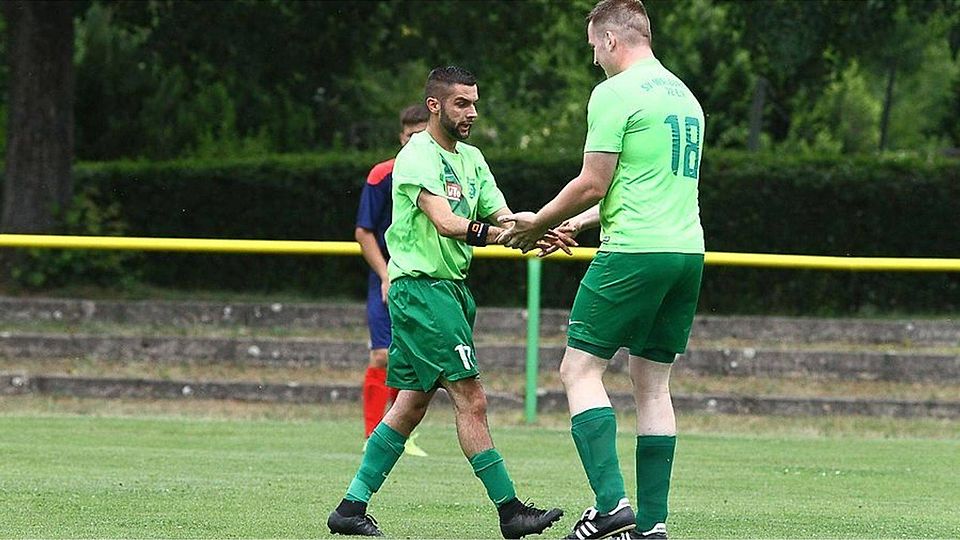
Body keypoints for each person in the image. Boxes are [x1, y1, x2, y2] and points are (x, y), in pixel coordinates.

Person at [327, 66, 569, 538]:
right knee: (471, 398)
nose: (472, 112)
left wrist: (538, 227)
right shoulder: (416, 155)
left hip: (452, 291)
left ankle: (350, 508)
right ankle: (510, 510)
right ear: (435, 105)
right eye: (462, 103)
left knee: (411, 405)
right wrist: (502, 234)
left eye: (475, 103)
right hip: (423, 292)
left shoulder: (473, 159)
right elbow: (445, 222)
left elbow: (500, 213)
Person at [498, 1, 705, 539]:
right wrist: (585, 224)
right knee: (652, 385)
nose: (593, 58)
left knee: (579, 370)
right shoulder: (684, 95)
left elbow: (594, 181)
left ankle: (612, 507)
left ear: (612, 40)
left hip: (634, 252)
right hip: (685, 253)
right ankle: (653, 526)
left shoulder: (615, 92)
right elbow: (636, 187)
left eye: (594, 45)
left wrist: (534, 223)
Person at [355, 104, 430, 457]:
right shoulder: (382, 175)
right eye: (410, 136)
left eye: (422, 135)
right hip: (389, 278)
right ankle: (373, 435)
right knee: (382, 355)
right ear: (401, 137)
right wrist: (385, 275)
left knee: (413, 360)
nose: (415, 142)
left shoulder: (442, 174)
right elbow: (364, 231)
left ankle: (403, 434)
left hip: (426, 279)